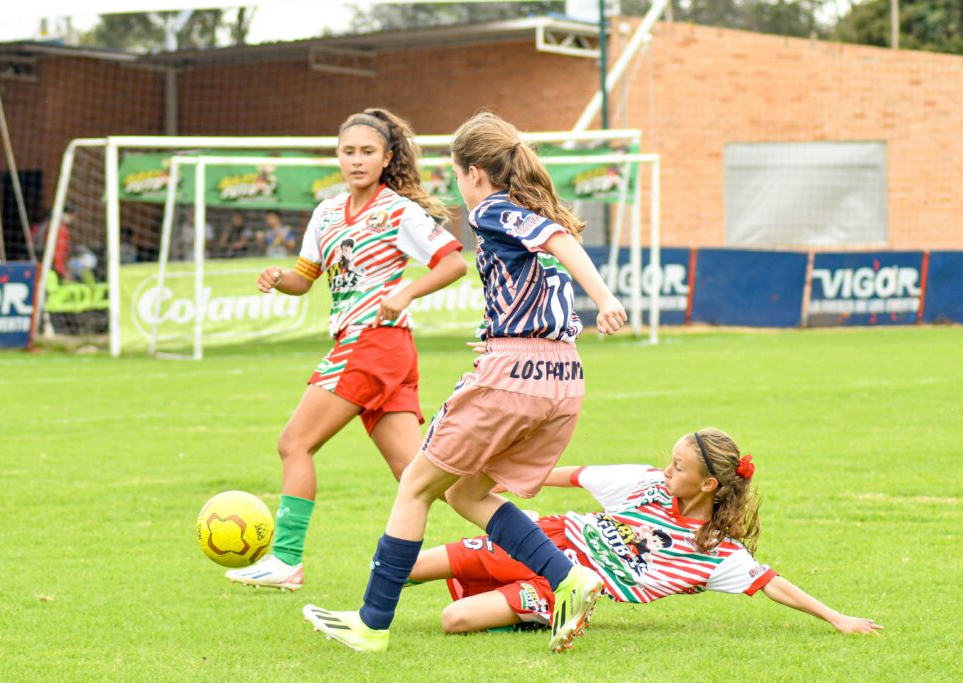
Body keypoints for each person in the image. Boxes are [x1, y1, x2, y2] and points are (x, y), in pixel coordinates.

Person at [301, 111, 628, 654]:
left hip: (513, 373)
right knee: (465, 490)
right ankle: (568, 577)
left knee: (416, 486)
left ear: (474, 172)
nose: (458, 186)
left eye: (456, 174)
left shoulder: (494, 208)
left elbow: (561, 243)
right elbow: (558, 240)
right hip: (565, 377)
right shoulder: (526, 208)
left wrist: (605, 298)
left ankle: (371, 623)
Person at [224, 108, 467, 592]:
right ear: (337, 156)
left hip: (372, 344)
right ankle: (531, 537)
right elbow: (305, 279)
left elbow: (453, 263)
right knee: (418, 475)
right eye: (348, 152)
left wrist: (404, 293)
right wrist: (279, 279)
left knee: (294, 443)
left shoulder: (397, 210)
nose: (356, 161)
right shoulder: (327, 213)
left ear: (386, 158)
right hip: (377, 348)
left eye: (367, 152)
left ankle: (285, 560)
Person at [402, 428, 883, 637]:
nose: (667, 470)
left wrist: (837, 617)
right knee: (412, 567)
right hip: (545, 536)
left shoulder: (716, 552)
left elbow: (773, 582)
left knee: (454, 619)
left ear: (709, 484)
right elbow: (572, 476)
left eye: (678, 466)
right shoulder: (649, 482)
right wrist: (501, 475)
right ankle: (362, 615)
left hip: (564, 584)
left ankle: (546, 612)